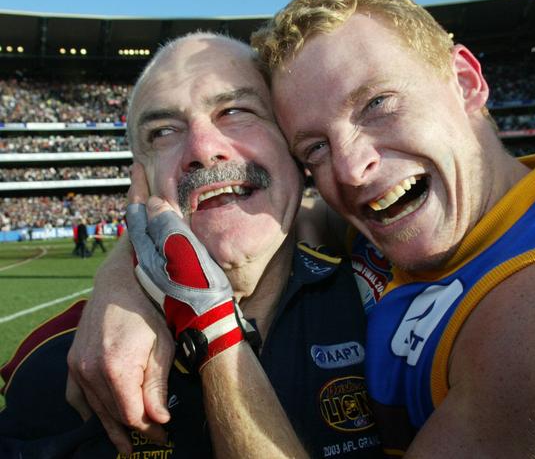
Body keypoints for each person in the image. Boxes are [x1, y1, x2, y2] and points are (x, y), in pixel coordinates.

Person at [68, 0, 535, 458]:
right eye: (314, 147)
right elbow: (281, 224)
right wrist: (126, 277)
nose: (351, 168)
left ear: (468, 82)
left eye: (377, 104)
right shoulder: (417, 224)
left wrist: (212, 330)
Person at [0, 33, 380, 459]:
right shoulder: (64, 363)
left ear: (293, 145)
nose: (203, 149)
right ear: (138, 182)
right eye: (163, 131)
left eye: (236, 111)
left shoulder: (389, 303)